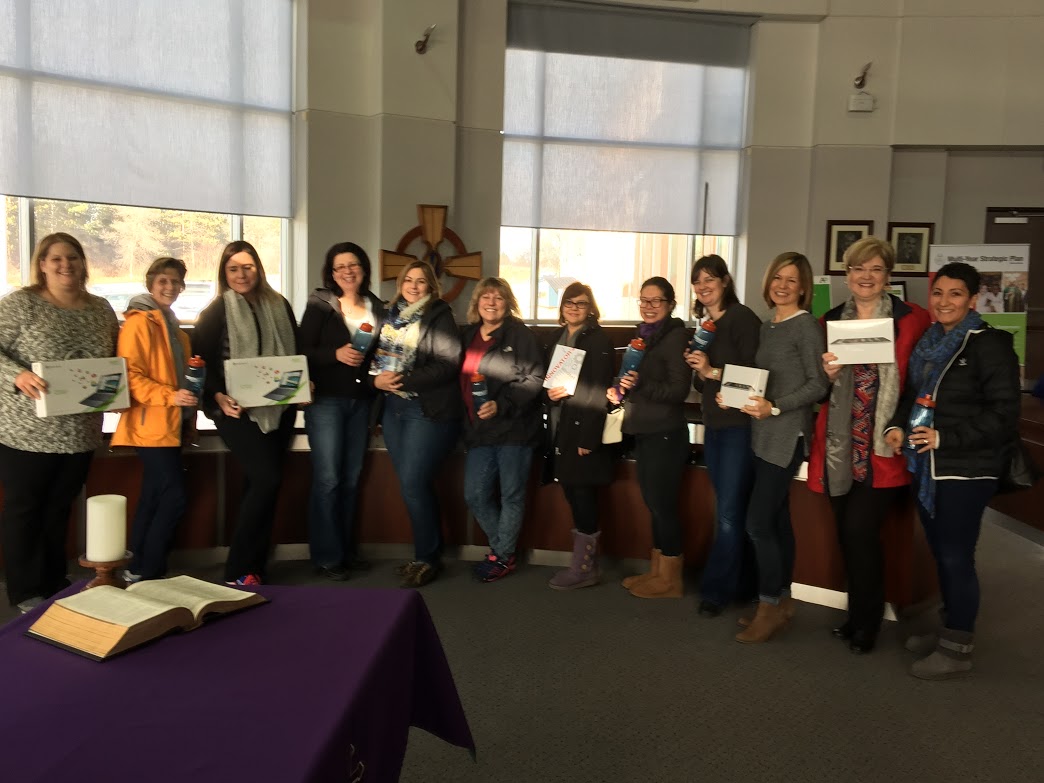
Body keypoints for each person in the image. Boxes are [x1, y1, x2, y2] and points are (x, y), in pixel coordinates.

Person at [885, 262, 1020, 679]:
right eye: (938, 293)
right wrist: (896, 427)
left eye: (956, 294)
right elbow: (912, 395)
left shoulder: (990, 344)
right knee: (941, 553)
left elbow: (1003, 415)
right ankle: (949, 628)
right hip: (927, 467)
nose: (944, 302)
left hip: (967, 470)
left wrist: (944, 438)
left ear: (973, 299)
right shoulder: (929, 341)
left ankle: (957, 649)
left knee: (955, 556)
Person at [807, 237, 930, 653]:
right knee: (847, 535)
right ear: (847, 275)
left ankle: (868, 623)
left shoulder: (911, 319)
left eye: (876, 269)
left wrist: (900, 424)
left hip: (883, 446)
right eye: (859, 268)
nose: (866, 276)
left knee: (860, 532)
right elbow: (817, 390)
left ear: (888, 276)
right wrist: (826, 376)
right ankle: (856, 616)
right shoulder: (829, 321)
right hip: (840, 447)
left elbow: (920, 384)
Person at [0, 233, 119, 613]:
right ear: (42, 264)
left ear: (83, 263)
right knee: (25, 512)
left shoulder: (101, 309)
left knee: (59, 510)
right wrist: (17, 375)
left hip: (80, 433)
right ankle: (25, 591)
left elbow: (112, 362)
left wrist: (117, 393)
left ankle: (53, 581)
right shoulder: (21, 304)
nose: (65, 265)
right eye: (56, 258)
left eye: (72, 257)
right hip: (26, 433)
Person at [733, 252, 828, 643]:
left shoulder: (806, 326)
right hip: (762, 434)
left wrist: (775, 406)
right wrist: (734, 394)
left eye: (791, 280)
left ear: (803, 287)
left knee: (757, 523)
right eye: (777, 278)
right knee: (776, 521)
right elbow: (762, 379)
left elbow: (818, 384)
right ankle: (784, 601)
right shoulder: (768, 325)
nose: (782, 286)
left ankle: (768, 606)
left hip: (787, 434)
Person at [192, 240, 298, 586]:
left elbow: (296, 353)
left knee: (260, 485)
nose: (241, 275)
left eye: (248, 267)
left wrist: (304, 384)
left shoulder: (279, 304)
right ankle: (237, 569)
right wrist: (217, 396)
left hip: (279, 409)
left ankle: (256, 567)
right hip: (236, 412)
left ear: (259, 269)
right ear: (224, 273)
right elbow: (198, 362)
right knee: (267, 479)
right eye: (233, 269)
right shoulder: (217, 310)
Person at [370, 259, 462, 588]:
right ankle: (425, 553)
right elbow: (374, 359)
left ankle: (428, 558)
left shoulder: (439, 314)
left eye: (420, 281)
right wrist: (376, 380)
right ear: (400, 284)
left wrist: (404, 379)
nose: (413, 286)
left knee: (413, 483)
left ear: (431, 287)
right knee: (412, 485)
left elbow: (448, 363)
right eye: (408, 280)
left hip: (425, 409)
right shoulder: (389, 315)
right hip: (392, 409)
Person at [298, 242, 385, 581]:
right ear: (331, 273)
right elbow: (301, 350)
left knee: (350, 479)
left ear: (363, 268)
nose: (347, 271)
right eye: (340, 267)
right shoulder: (320, 304)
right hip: (327, 402)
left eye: (353, 265)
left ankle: (346, 551)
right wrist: (334, 355)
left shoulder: (377, 306)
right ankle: (327, 556)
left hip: (362, 401)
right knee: (329, 479)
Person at [684, 255, 762, 616]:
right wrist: (701, 371)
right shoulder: (706, 326)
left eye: (710, 279)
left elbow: (754, 374)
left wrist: (711, 370)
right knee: (731, 508)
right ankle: (746, 584)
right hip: (714, 425)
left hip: (738, 428)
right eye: (697, 281)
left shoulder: (742, 318)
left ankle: (716, 591)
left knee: (728, 513)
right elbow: (704, 382)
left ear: (725, 281)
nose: (703, 286)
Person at [112, 257, 199, 582]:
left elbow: (184, 382)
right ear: (151, 284)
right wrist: (170, 397)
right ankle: (150, 570)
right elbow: (130, 376)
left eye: (176, 282)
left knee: (153, 495)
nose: (170, 287)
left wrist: (188, 419)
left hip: (172, 425)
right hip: (149, 425)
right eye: (163, 281)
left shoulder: (176, 330)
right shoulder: (138, 322)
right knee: (175, 497)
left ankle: (135, 566)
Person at [611, 277, 691, 599]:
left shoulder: (675, 337)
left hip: (665, 433)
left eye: (656, 301)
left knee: (663, 506)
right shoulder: (644, 335)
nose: (648, 306)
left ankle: (671, 580)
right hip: (644, 430)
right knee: (654, 504)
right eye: (644, 300)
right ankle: (658, 571)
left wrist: (641, 383)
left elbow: (678, 390)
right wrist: (619, 388)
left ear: (670, 304)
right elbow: (633, 378)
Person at [460, 277, 544, 583]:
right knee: (474, 495)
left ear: (507, 303)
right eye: (486, 296)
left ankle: (502, 556)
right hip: (478, 431)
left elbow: (535, 379)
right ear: (477, 302)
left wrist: (502, 404)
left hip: (514, 429)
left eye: (498, 297)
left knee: (511, 496)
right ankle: (503, 550)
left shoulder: (521, 335)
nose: (491, 302)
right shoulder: (467, 334)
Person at [543, 282, 613, 590]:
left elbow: (598, 391)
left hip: (582, 429)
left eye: (581, 303)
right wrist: (549, 395)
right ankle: (584, 564)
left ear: (590, 308)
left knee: (582, 494)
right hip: (560, 426)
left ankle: (584, 569)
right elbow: (546, 382)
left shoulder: (598, 340)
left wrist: (588, 438)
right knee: (571, 490)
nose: (574, 308)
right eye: (569, 303)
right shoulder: (556, 337)